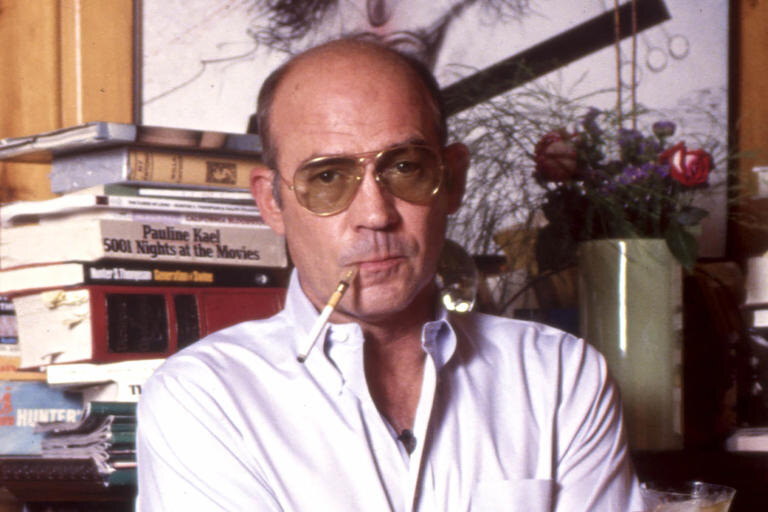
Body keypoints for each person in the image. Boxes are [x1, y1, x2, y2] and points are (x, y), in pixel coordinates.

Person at [136, 37, 645, 511]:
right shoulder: (204, 397)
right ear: (271, 202)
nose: (376, 214)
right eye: (328, 177)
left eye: (404, 167)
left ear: (454, 180)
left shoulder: (560, 377)